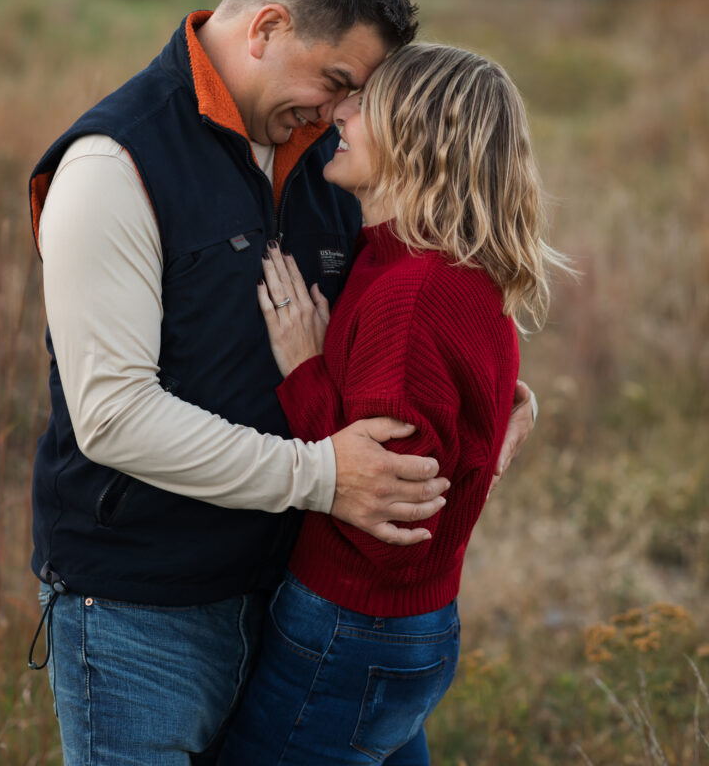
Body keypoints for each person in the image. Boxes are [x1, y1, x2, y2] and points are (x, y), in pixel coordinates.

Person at [27, 0, 536, 765]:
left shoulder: (326, 160)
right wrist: (322, 476)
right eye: (337, 80)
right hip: (145, 612)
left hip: (300, 597)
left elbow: (418, 294)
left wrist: (497, 390)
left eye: (357, 96)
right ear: (267, 28)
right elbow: (111, 416)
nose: (343, 113)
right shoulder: (112, 167)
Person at [219, 43, 564, 765]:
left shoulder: (411, 297)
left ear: (418, 142)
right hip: (402, 628)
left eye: (363, 105)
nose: (338, 111)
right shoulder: (414, 263)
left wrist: (306, 373)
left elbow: (388, 527)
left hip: (352, 629)